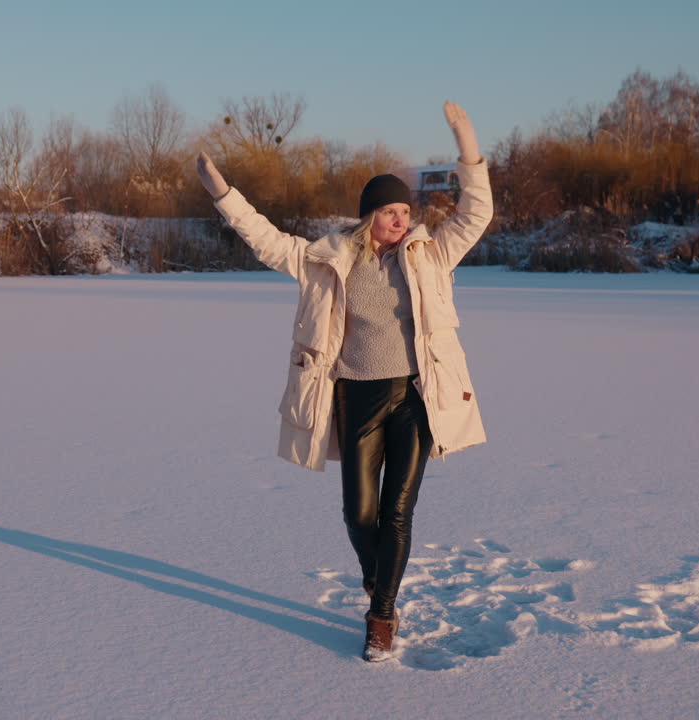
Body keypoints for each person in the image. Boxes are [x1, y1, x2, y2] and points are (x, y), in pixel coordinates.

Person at [195, 102, 493, 661]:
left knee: (397, 511)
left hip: (415, 397)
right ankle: (379, 580)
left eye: (406, 209)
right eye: (390, 211)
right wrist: (223, 194)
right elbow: (266, 240)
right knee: (359, 514)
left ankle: (382, 615)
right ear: (368, 216)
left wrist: (468, 149)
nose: (402, 219)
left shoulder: (431, 256)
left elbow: (475, 216)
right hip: (356, 396)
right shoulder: (328, 261)